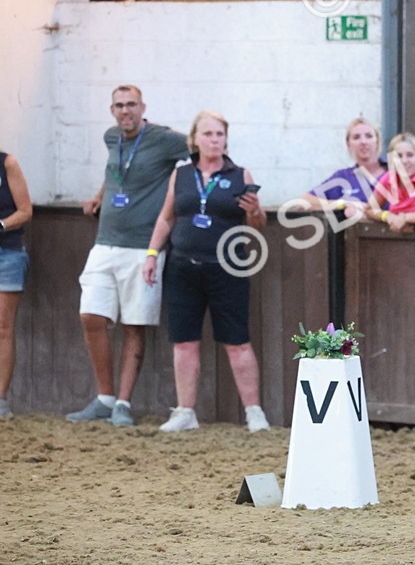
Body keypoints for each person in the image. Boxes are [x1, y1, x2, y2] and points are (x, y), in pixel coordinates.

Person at [69, 85, 191, 427]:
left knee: (134, 324)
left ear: (143, 107)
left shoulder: (165, 140)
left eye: (132, 105)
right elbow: (117, 171)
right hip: (104, 241)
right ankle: (104, 398)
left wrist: (183, 202)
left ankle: (122, 403)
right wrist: (100, 196)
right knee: (91, 316)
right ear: (112, 110)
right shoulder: (111, 137)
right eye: (120, 105)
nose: (126, 111)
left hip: (142, 246)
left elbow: (200, 150)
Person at [141, 111, 269, 433]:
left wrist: (255, 210)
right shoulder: (181, 174)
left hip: (227, 269)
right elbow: (166, 217)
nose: (214, 140)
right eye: (208, 134)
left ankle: (254, 412)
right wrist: (152, 254)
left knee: (237, 342)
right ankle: (185, 411)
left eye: (220, 134)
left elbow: (257, 225)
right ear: (195, 139)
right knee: (184, 342)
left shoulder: (240, 174)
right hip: (183, 267)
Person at [0, 151, 33, 419]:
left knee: (3, 327)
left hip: (7, 253)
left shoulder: (7, 163)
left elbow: (25, 211)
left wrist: (1, 225)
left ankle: (0, 399)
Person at [300, 118, 387, 218]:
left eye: (369, 136)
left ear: (377, 141)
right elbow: (305, 201)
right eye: (356, 137)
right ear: (348, 144)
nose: (363, 142)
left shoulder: (393, 173)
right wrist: (343, 203)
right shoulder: (343, 177)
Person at [363, 132, 415, 232]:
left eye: (410, 155)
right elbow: (369, 210)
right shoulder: (389, 177)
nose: (404, 161)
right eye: (399, 156)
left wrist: (406, 218)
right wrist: (387, 216)